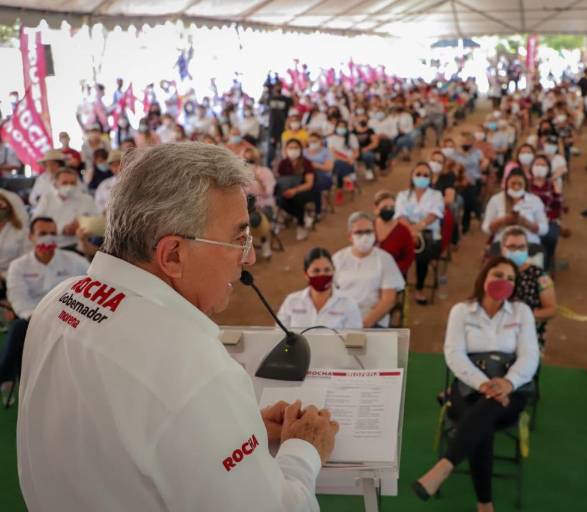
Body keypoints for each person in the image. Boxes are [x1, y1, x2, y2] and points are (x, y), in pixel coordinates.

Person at [17, 142, 338, 511]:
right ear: (173, 255)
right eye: (238, 238)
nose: (247, 256)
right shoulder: (192, 366)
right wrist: (303, 449)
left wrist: (230, 427)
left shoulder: (58, 301)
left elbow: (114, 441)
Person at [413, 256, 539, 510]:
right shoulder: (461, 311)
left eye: (511, 279)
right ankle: (485, 504)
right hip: (469, 384)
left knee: (482, 416)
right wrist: (483, 384)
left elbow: (530, 355)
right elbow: (454, 354)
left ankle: (445, 467)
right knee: (483, 420)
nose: (504, 282)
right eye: (498, 275)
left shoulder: (521, 312)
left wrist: (508, 382)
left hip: (510, 388)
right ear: (484, 277)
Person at [0, 217, 89, 400]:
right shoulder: (18, 266)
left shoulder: (75, 261)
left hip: (70, 318)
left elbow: (92, 285)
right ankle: (5, 375)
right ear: (31, 236)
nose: (48, 238)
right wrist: (37, 317)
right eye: (42, 234)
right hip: (33, 318)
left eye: (52, 234)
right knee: (18, 328)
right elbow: (18, 299)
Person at [333, 212, 405, 328]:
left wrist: (364, 325)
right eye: (359, 232)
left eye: (369, 232)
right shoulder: (338, 259)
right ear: (349, 236)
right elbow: (330, 293)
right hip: (340, 318)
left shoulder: (385, 259)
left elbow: (388, 299)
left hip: (372, 320)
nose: (365, 236)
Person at [277, 247, 362, 330]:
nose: (322, 274)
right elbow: (279, 335)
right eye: (316, 271)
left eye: (327, 270)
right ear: (306, 274)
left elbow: (354, 339)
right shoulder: (291, 301)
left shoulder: (348, 304)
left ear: (333, 271)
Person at [395, 163, 445, 304]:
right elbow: (400, 216)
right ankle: (400, 285)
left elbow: (434, 214)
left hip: (429, 234)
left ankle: (419, 288)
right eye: (418, 174)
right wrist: (411, 231)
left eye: (425, 175)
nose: (421, 177)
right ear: (412, 176)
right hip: (407, 233)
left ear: (430, 178)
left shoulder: (436, 195)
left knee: (422, 257)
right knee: (397, 253)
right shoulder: (403, 195)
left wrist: (417, 228)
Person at [500, 227, 557, 343]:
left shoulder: (540, 276)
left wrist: (524, 317)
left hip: (528, 336)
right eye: (512, 247)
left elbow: (551, 309)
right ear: (502, 249)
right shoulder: (494, 273)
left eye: (521, 247)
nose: (517, 251)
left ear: (527, 249)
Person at [482, 168, 548, 252]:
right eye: (513, 183)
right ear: (507, 184)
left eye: (520, 184)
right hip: (502, 242)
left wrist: (527, 223)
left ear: (525, 185)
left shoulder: (535, 200)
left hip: (529, 242)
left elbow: (544, 229)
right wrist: (503, 220)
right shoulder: (496, 200)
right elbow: (486, 228)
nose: (516, 187)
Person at [33, 168, 98, 249]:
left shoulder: (86, 199)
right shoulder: (46, 199)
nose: (69, 186)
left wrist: (82, 226)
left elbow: (97, 223)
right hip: (52, 246)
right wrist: (62, 229)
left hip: (80, 246)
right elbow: (36, 224)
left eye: (72, 183)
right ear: (56, 184)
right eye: (65, 183)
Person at [443, 132, 489, 233]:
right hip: (459, 180)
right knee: (469, 194)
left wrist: (484, 164)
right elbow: (447, 167)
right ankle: (478, 212)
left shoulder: (477, 152)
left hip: (474, 180)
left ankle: (469, 220)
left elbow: (484, 161)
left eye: (468, 141)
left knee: (470, 192)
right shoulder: (453, 154)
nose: (466, 143)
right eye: (464, 141)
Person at [527, 155, 563, 271]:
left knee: (550, 237)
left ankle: (545, 265)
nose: (539, 167)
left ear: (548, 169)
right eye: (537, 164)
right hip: (527, 219)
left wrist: (557, 194)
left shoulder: (552, 185)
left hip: (548, 219)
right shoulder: (526, 184)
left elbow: (558, 208)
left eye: (543, 165)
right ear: (531, 167)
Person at [275, 138, 316, 241]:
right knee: (280, 200)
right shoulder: (283, 163)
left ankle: (301, 224)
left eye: (296, 147)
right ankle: (302, 216)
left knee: (297, 199)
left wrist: (295, 190)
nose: (293, 150)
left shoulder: (306, 163)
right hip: (287, 190)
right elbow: (280, 180)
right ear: (286, 149)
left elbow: (309, 184)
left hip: (303, 190)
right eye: (290, 147)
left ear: (300, 149)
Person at [374, 190, 414, 277]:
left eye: (392, 207)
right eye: (385, 207)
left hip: (394, 276)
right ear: (376, 209)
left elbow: (408, 259)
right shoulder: (369, 227)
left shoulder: (403, 231)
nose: (389, 210)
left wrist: (390, 271)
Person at [0, 193, 29, 280]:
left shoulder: (21, 231)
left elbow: (25, 258)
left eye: (1, 207)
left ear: (8, 209)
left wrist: (3, 275)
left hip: (11, 275)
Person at [95, 150, 123, 214]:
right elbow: (98, 203)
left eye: (119, 163)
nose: (118, 167)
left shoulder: (135, 182)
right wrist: (104, 211)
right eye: (113, 165)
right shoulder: (104, 184)